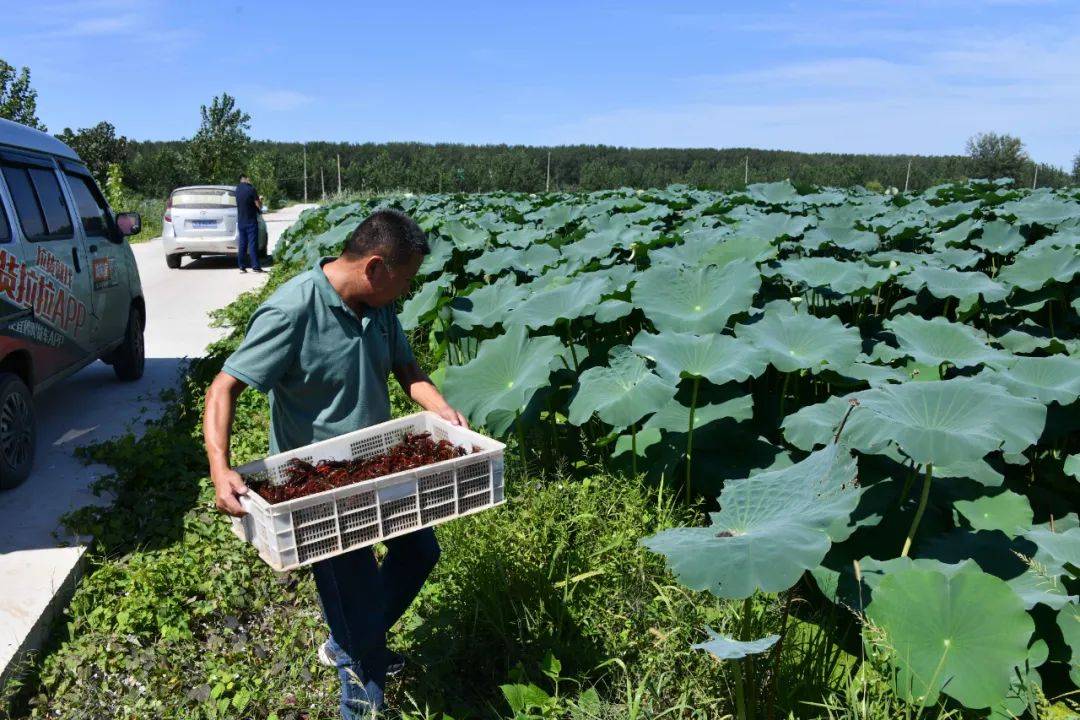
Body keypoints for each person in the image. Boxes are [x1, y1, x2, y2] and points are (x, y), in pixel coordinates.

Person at [203, 209, 468, 717]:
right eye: (406, 278)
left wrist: (440, 409)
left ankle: (351, 640)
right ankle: (360, 688)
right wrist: (220, 466)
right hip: (316, 483)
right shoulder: (292, 311)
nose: (409, 290)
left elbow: (405, 367)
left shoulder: (379, 306)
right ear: (375, 267)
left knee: (419, 553)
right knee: (355, 586)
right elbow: (224, 386)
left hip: (381, 462)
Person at [235, 174, 263, 273]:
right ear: (246, 179)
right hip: (251, 220)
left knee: (242, 244)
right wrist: (260, 200)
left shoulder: (237, 189)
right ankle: (255, 266)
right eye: (249, 178)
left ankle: (242, 267)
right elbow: (258, 205)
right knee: (252, 244)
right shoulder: (251, 189)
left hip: (241, 221)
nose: (250, 180)